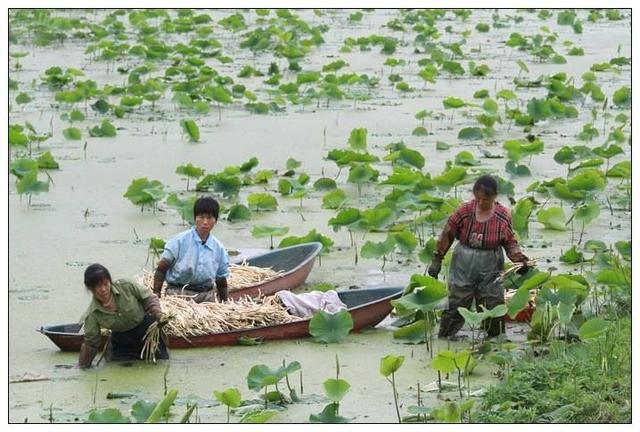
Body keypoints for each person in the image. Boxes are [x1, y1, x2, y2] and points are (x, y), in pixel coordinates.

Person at [428, 175, 530, 339]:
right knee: (458, 301)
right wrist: (437, 258)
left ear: (495, 196)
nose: (481, 202)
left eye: (486, 199)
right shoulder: (465, 211)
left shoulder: (502, 216)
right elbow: (448, 233)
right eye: (478, 198)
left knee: (493, 303)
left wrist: (520, 260)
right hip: (464, 262)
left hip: (490, 263)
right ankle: (445, 336)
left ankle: (495, 339)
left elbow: (510, 241)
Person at [78, 264, 168, 368]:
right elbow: (91, 343)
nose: (103, 289)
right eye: (98, 286)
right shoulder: (92, 314)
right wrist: (83, 366)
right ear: (90, 289)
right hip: (123, 343)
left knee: (160, 365)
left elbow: (149, 299)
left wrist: (159, 315)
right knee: (122, 371)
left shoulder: (126, 286)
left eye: (105, 284)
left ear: (110, 282)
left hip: (148, 335)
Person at [153, 196, 229, 303]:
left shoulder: (219, 248)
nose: (205, 222)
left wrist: (225, 303)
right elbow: (161, 269)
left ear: (215, 220)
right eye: (201, 217)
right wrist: (156, 295)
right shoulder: (179, 241)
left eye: (210, 218)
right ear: (195, 218)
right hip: (178, 295)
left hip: (206, 297)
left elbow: (221, 280)